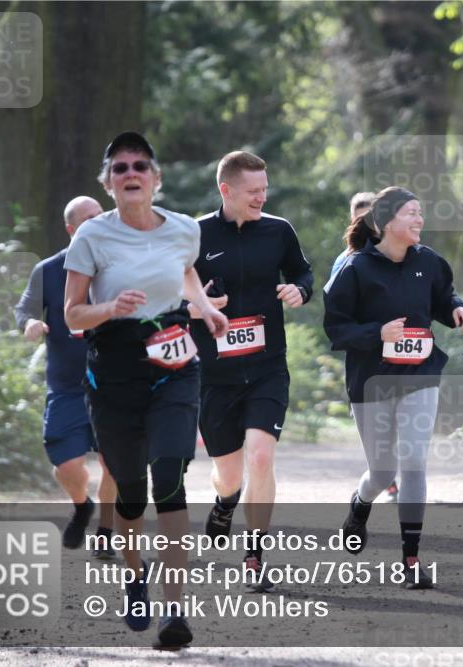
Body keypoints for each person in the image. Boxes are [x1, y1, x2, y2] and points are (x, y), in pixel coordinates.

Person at [64, 131, 228, 648]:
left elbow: (185, 271)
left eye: (139, 166)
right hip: (114, 372)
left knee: (170, 477)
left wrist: (204, 307)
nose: (130, 174)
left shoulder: (183, 228)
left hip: (174, 366)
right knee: (131, 492)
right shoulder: (91, 237)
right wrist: (109, 308)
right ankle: (135, 576)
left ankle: (174, 610)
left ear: (156, 178)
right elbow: (72, 315)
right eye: (120, 168)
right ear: (108, 183)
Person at [323, 186, 463, 589]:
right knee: (382, 470)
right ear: (387, 222)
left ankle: (411, 559)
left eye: (421, 212)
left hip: (420, 375)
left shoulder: (428, 261)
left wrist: (458, 309)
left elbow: (443, 297)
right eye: (411, 213)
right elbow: (336, 329)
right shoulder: (354, 268)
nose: (420, 219)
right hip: (371, 381)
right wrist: (377, 333)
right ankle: (360, 505)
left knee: (413, 462)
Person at [189, 150, 313, 591]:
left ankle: (254, 555)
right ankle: (225, 502)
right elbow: (168, 295)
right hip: (216, 374)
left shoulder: (279, 231)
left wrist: (299, 291)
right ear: (226, 190)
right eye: (253, 191)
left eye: (265, 189)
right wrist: (198, 305)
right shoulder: (195, 235)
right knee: (229, 476)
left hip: (266, 366)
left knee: (260, 456)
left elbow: (303, 273)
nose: (262, 197)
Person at [14, 195, 116, 558]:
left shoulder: (120, 264)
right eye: (88, 218)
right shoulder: (49, 270)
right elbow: (24, 307)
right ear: (71, 229)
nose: (98, 221)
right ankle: (82, 504)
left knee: (114, 463)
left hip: (114, 382)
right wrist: (30, 323)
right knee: (65, 464)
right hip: (66, 384)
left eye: (101, 215)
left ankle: (106, 531)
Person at [330, 191, 400, 501]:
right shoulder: (344, 262)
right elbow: (338, 316)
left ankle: (390, 474)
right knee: (378, 427)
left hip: (401, 356)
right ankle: (385, 477)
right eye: (359, 217)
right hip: (365, 358)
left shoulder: (400, 254)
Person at [329, 191, 375, 280]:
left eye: (369, 219)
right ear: (352, 221)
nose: (365, 226)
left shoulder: (393, 255)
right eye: (360, 221)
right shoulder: (344, 262)